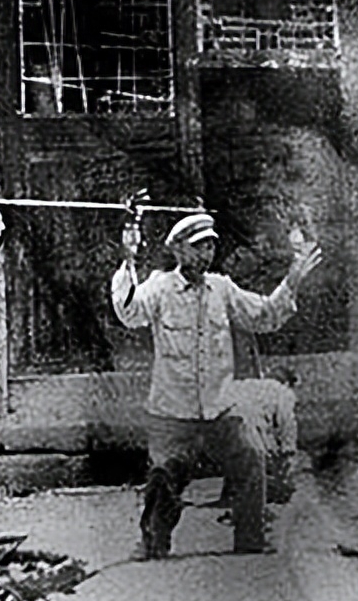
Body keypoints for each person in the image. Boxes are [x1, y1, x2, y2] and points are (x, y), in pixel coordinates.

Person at [111, 211, 321, 559]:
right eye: (197, 247)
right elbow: (129, 312)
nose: (205, 255)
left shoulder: (222, 289)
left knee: (251, 459)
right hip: (172, 413)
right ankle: (153, 547)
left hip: (220, 410)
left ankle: (250, 544)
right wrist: (129, 258)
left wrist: (293, 279)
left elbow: (265, 315)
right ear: (178, 250)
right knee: (164, 478)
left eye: (210, 247)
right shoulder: (160, 288)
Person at [216, 370, 300, 508]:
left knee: (237, 461)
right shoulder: (282, 391)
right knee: (261, 464)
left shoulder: (242, 384)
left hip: (223, 428)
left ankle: (231, 496)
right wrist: (288, 452)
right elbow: (287, 424)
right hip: (250, 431)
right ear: (287, 383)